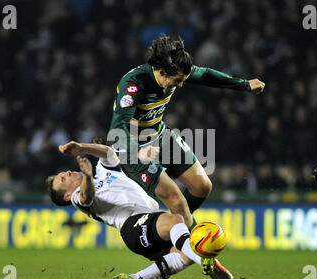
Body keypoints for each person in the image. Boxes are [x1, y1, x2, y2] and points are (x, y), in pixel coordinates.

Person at [109, 35, 265, 230]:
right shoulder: (134, 84)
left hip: (160, 135)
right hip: (134, 148)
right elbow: (118, 128)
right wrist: (135, 153)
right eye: (177, 81)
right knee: (176, 200)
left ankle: (174, 230)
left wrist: (244, 84)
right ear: (162, 71)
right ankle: (189, 246)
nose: (181, 85)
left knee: (202, 186)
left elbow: (206, 75)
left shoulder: (176, 69)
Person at [46, 140, 233, 279]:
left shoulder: (103, 171)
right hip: (132, 226)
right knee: (176, 221)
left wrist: (81, 148)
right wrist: (86, 176)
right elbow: (87, 197)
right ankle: (204, 261)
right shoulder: (77, 197)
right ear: (67, 196)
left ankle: (137, 278)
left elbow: (108, 152)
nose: (68, 172)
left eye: (65, 172)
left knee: (183, 252)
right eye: (63, 178)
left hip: (146, 224)